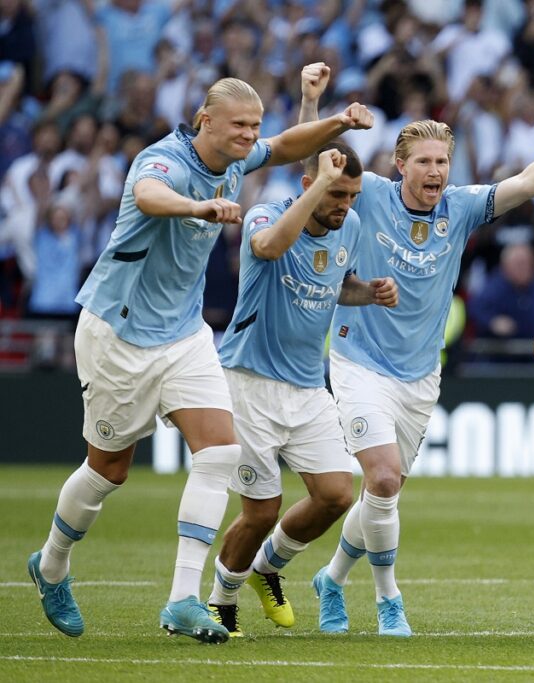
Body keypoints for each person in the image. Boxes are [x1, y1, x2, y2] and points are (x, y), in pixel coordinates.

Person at [27, 71, 374, 644]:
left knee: (218, 452)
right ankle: (52, 563)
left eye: (254, 126)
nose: (250, 135)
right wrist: (199, 207)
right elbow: (147, 197)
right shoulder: (162, 160)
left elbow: (287, 146)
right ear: (204, 121)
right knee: (107, 470)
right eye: (239, 125)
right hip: (118, 332)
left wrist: (335, 121)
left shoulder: (237, 160)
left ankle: (184, 600)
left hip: (185, 336)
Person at [297, 66, 534, 637]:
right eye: (425, 162)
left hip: (420, 373)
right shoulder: (373, 195)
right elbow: (316, 171)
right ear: (400, 165)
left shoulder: (458, 208)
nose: (436, 171)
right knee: (384, 480)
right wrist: (311, 102)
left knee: (382, 492)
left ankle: (332, 579)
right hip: (358, 359)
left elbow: (528, 184)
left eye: (443, 162)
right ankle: (390, 601)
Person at [205, 141, 398, 637]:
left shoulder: (347, 226)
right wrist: (315, 196)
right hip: (249, 382)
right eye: (337, 194)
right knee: (262, 510)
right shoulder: (266, 215)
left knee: (336, 494)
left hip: (309, 386)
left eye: (353, 196)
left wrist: (369, 293)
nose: (346, 206)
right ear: (308, 184)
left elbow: (335, 283)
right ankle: (220, 600)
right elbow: (269, 248)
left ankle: (268, 567)